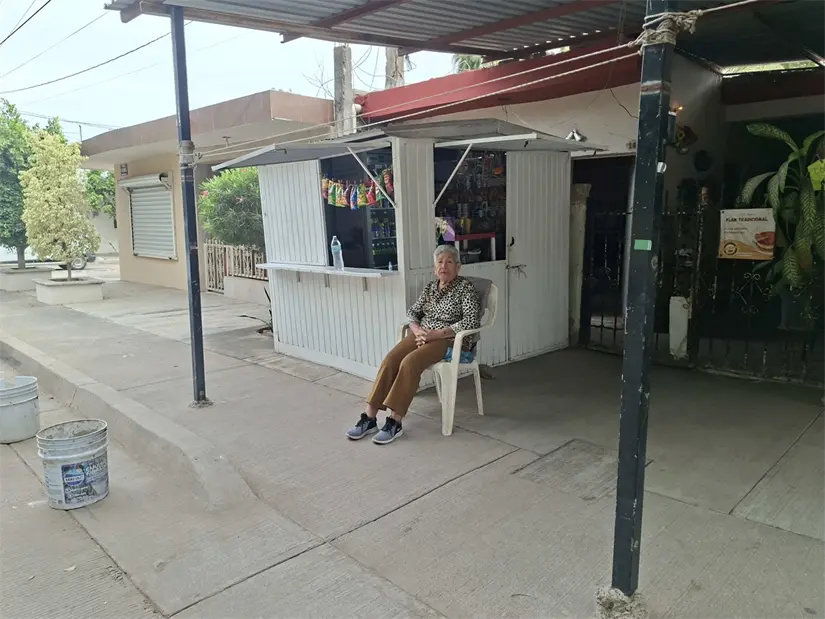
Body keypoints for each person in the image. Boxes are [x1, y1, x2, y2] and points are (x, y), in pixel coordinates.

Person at [347, 244, 481, 444]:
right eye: (440, 262)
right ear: (435, 267)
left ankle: (395, 421)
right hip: (423, 334)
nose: (444, 266)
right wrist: (418, 330)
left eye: (449, 262)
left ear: (458, 267)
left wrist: (437, 334)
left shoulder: (465, 288)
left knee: (409, 363)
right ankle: (370, 417)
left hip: (449, 339)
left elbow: (471, 320)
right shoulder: (430, 287)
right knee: (391, 360)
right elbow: (412, 313)